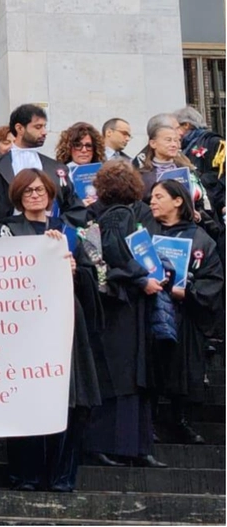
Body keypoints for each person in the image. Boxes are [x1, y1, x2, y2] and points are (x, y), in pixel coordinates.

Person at [0, 169, 101, 492]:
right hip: (25, 325)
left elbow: (96, 280)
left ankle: (62, 476)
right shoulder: (5, 230)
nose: (35, 195)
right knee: (28, 398)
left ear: (51, 193)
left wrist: (75, 271)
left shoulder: (71, 232)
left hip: (66, 321)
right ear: (18, 196)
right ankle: (26, 474)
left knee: (70, 400)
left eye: (40, 190)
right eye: (28, 191)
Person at [82, 161, 167, 470]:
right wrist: (142, 276)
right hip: (123, 305)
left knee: (127, 373)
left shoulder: (102, 214)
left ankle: (131, 445)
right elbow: (118, 255)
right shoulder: (121, 215)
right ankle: (119, 445)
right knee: (124, 373)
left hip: (121, 303)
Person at [145, 179, 224, 445]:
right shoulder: (144, 232)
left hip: (184, 314)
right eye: (152, 197)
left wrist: (187, 292)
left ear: (178, 201)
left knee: (183, 365)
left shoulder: (200, 239)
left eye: (159, 196)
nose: (152, 201)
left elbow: (213, 279)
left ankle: (180, 419)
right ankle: (149, 419)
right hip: (149, 311)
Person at [0, 104, 86, 227]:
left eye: (44, 127)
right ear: (19, 128)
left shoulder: (56, 168)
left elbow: (75, 208)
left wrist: (58, 226)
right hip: (8, 239)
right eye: (38, 127)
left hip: (49, 237)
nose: (44, 132)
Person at [175, 106, 224, 218]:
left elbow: (220, 173)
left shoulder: (214, 142)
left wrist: (196, 180)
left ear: (186, 125)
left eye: (176, 127)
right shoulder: (181, 146)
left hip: (213, 202)